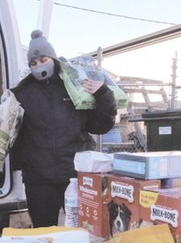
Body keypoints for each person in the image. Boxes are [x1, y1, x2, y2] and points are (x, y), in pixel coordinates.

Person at [12, 30, 116, 227]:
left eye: (43, 59)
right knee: (45, 234)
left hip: (74, 176)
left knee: (83, 230)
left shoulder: (74, 87)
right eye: (33, 63)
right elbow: (13, 135)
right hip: (39, 180)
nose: (38, 66)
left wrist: (103, 95)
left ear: (53, 58)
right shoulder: (22, 94)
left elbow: (100, 125)